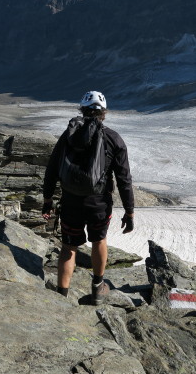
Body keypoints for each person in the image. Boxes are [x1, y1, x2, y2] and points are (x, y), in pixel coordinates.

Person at [42, 91, 135, 305]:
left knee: (68, 247)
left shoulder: (68, 136)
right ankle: (97, 288)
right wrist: (129, 211)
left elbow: (52, 170)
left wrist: (47, 200)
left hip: (71, 202)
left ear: (81, 110)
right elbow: (124, 179)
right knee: (99, 241)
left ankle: (62, 296)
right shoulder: (113, 138)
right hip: (99, 203)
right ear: (104, 112)